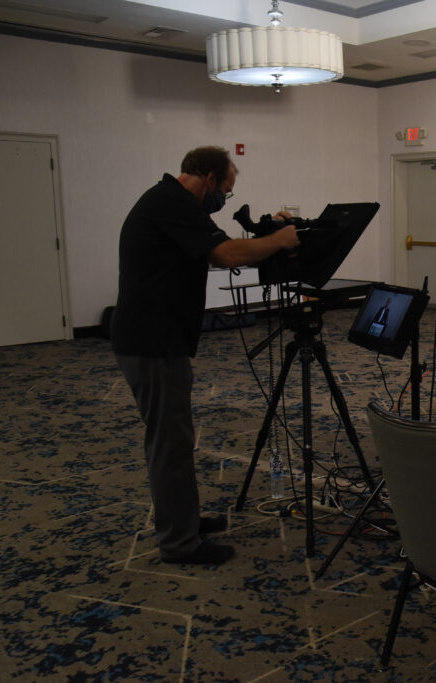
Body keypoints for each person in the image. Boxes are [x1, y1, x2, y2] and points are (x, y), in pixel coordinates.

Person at [111, 146, 300, 566]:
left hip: (156, 338)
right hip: (152, 342)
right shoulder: (172, 203)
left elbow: (222, 247)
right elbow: (226, 254)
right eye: (226, 191)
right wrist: (280, 240)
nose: (223, 200)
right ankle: (179, 543)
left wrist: (267, 234)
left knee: (174, 438)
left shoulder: (171, 201)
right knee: (170, 443)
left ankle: (183, 521)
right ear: (210, 178)